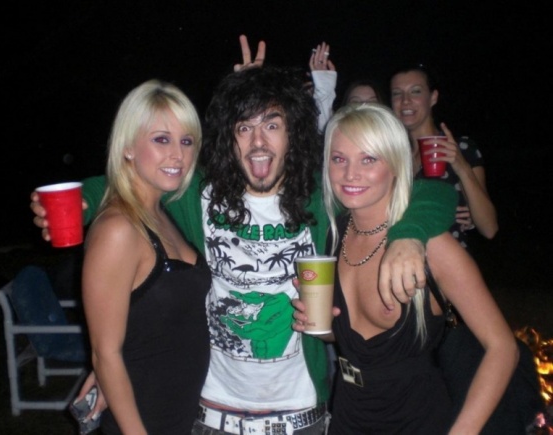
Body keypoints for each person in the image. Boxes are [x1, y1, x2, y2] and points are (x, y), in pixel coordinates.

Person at [31, 55, 457, 435]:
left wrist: (409, 233)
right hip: (211, 415)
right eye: (244, 127)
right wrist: (83, 200)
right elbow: (136, 180)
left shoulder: (321, 196)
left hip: (301, 416)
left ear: (293, 133)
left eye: (272, 125)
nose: (258, 142)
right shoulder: (198, 194)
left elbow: (432, 192)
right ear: (227, 137)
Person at [293, 102, 518, 434]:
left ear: (396, 163)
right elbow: (353, 342)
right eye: (339, 159)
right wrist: (321, 325)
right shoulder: (333, 236)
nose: (350, 174)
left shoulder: (432, 247)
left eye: (368, 159)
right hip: (347, 415)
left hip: (416, 420)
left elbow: (503, 348)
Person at [79, 79, 212, 433]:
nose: (178, 155)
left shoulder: (160, 213)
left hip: (182, 413)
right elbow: (105, 354)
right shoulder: (118, 228)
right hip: (145, 418)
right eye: (161, 139)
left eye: (186, 141)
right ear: (128, 147)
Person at [390, 63, 499, 247]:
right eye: (397, 93)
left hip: (447, 261)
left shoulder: (460, 148)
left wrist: (462, 167)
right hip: (401, 256)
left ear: (433, 98)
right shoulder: (392, 155)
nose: (405, 100)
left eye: (415, 91)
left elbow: (489, 228)